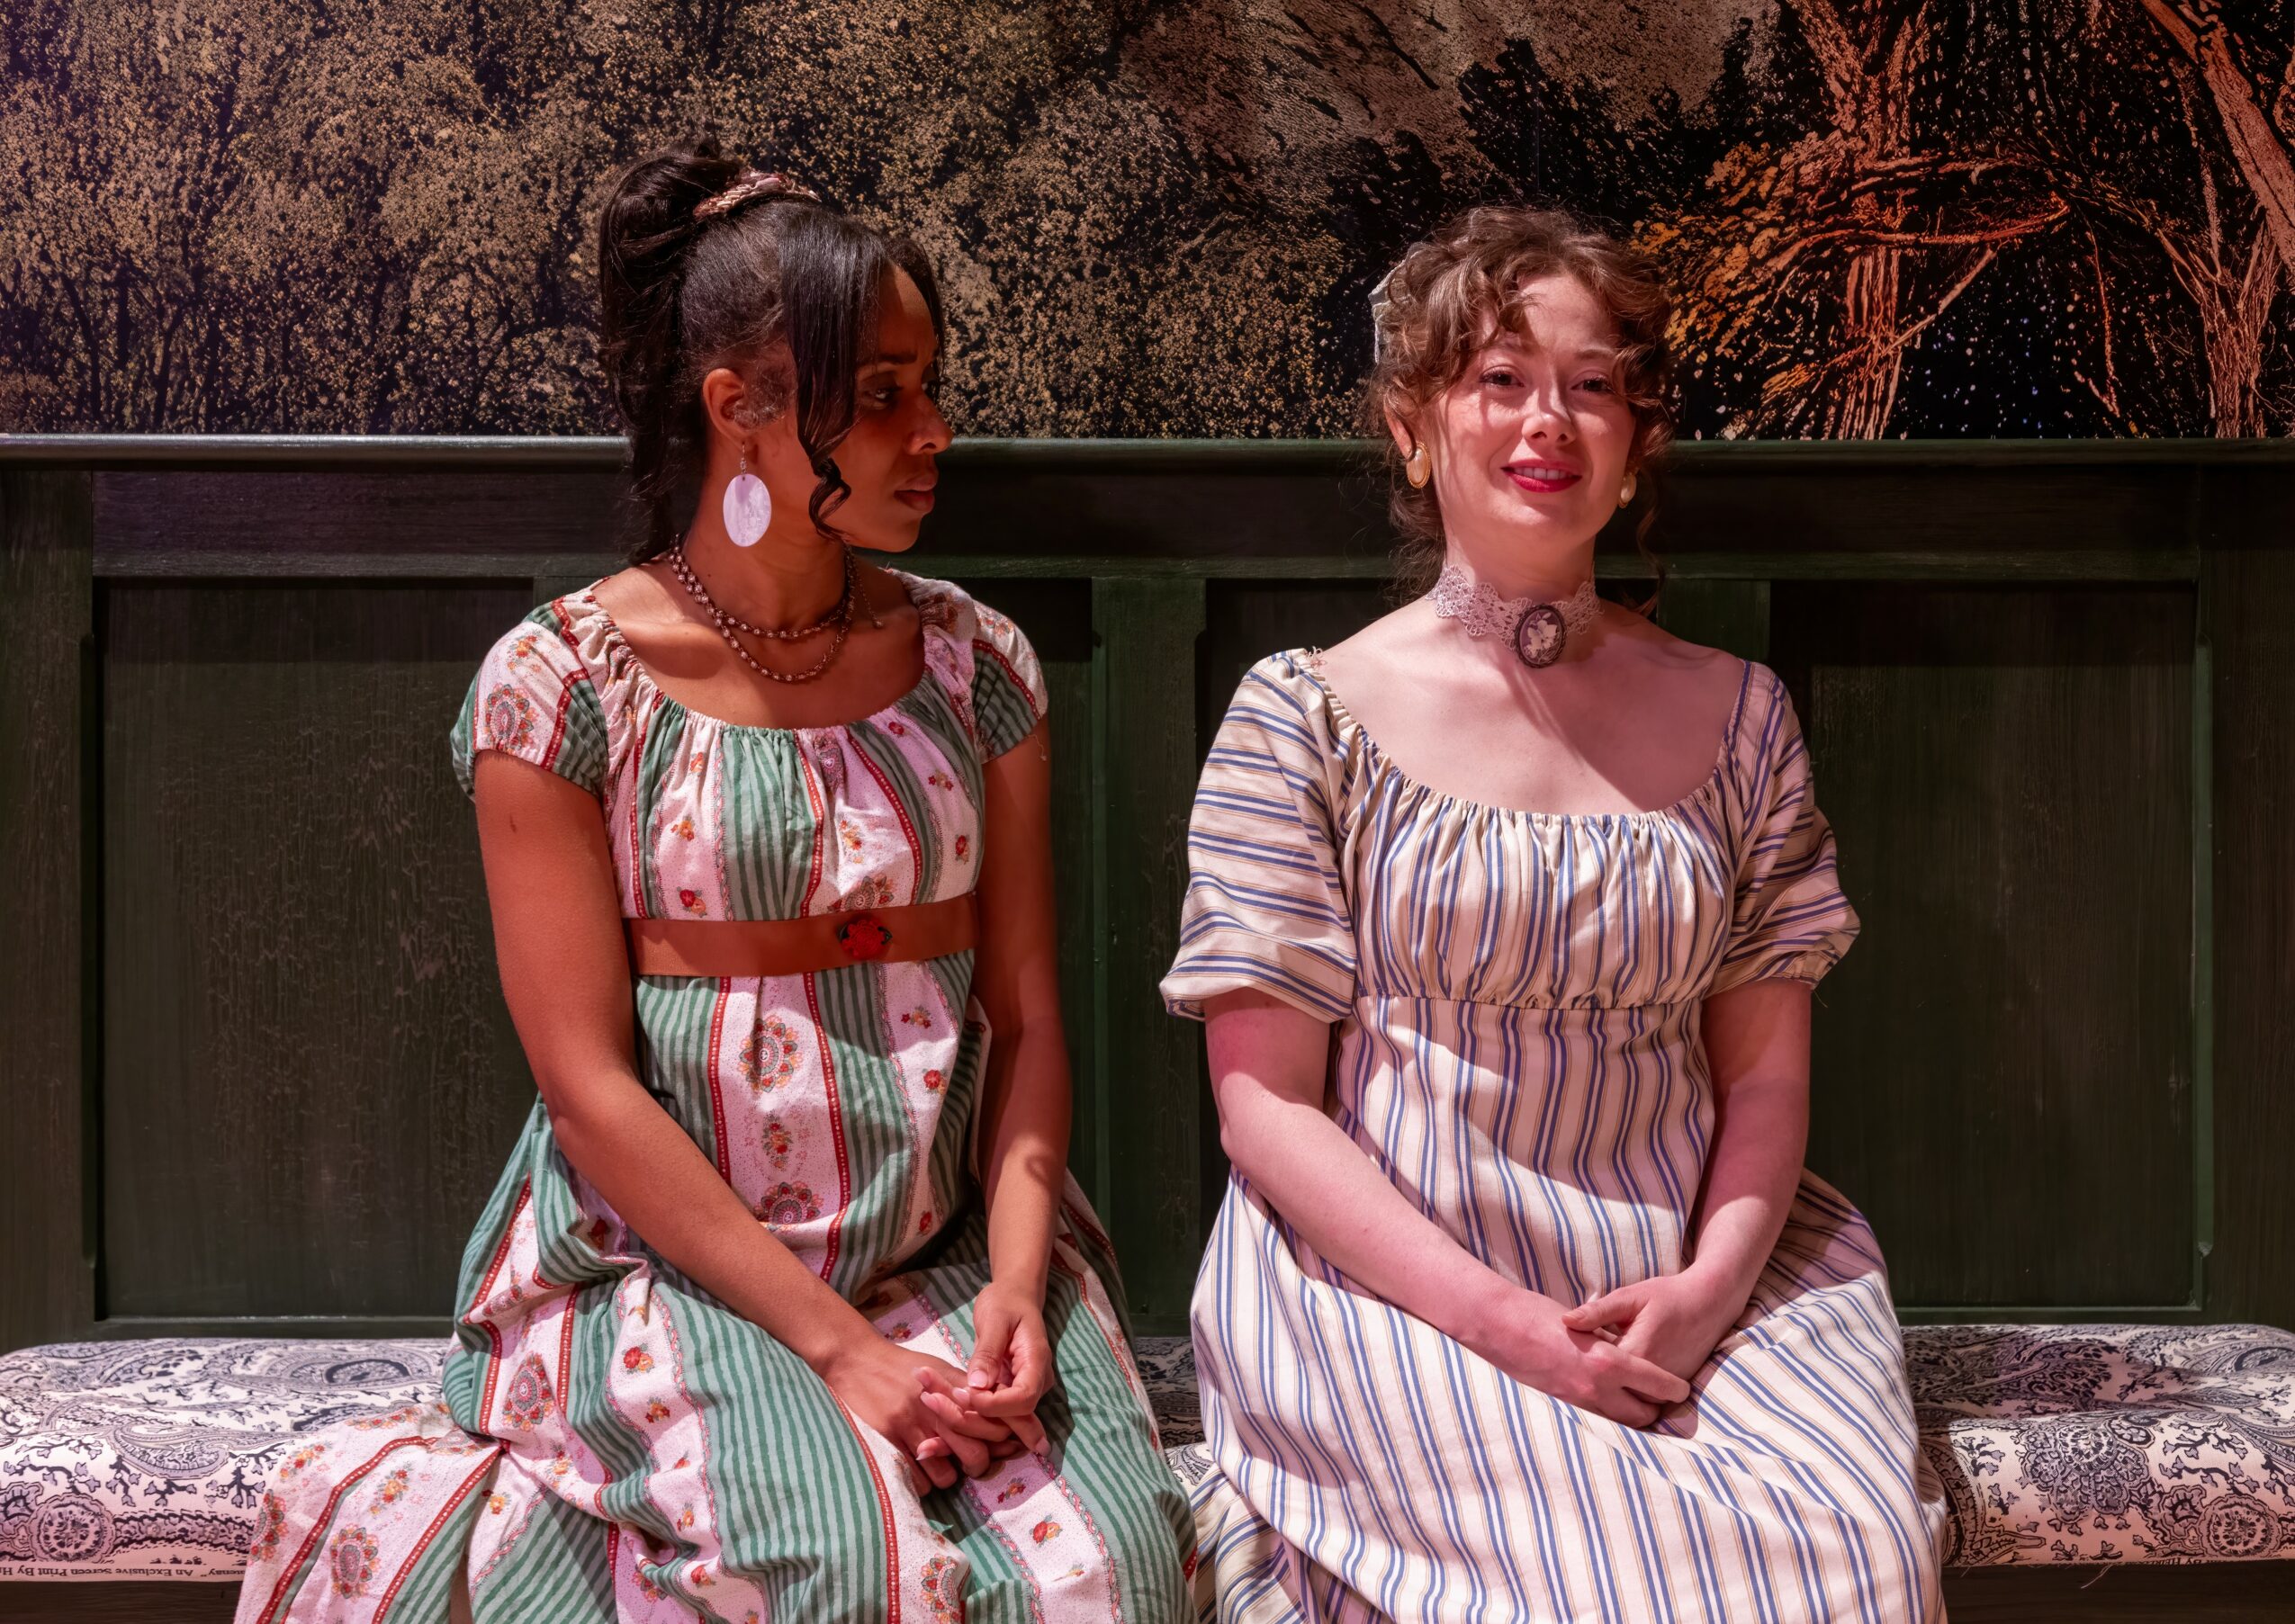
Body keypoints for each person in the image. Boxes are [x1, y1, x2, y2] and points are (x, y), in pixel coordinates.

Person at [238, 134, 1192, 1624]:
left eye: (927, 385)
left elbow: (1025, 1015)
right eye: (879, 396)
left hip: (950, 1237)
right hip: (666, 1264)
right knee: (844, 1571)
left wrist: (1014, 1285)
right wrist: (844, 1352)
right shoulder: (559, 685)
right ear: (739, 410)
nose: (931, 430)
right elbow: (587, 1086)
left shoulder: (976, 664)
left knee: (1111, 1576)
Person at [1163, 206, 1947, 1622]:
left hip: (1695, 1262)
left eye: (1593, 386)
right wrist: (1507, 1326)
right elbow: (1263, 1110)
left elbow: (1760, 1068)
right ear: (1416, 424)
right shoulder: (1303, 715)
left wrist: (1706, 1291)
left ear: (1636, 439)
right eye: (1500, 379)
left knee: (1851, 1560)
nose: (1549, 421)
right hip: (1388, 1288)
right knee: (1575, 1576)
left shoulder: (1740, 716)